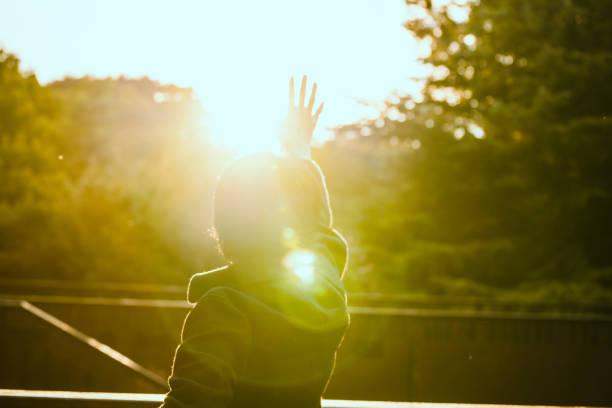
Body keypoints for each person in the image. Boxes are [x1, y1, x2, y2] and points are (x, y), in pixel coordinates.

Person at [160, 76, 350, 408]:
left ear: (225, 224)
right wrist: (300, 151)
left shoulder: (225, 308)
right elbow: (320, 231)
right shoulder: (322, 288)